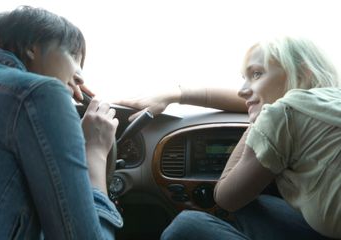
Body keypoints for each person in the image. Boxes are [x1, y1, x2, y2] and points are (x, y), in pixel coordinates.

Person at [116, 36, 341, 239]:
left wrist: (259, 121)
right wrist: (176, 94)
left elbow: (226, 197)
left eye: (256, 74)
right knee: (254, 205)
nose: (243, 90)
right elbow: (255, 100)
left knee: (188, 226)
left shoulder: (282, 115)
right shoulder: (328, 102)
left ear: (302, 73)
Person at [0, 6, 122, 240]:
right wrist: (95, 153)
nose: (80, 77)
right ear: (32, 46)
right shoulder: (39, 93)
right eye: (74, 59)